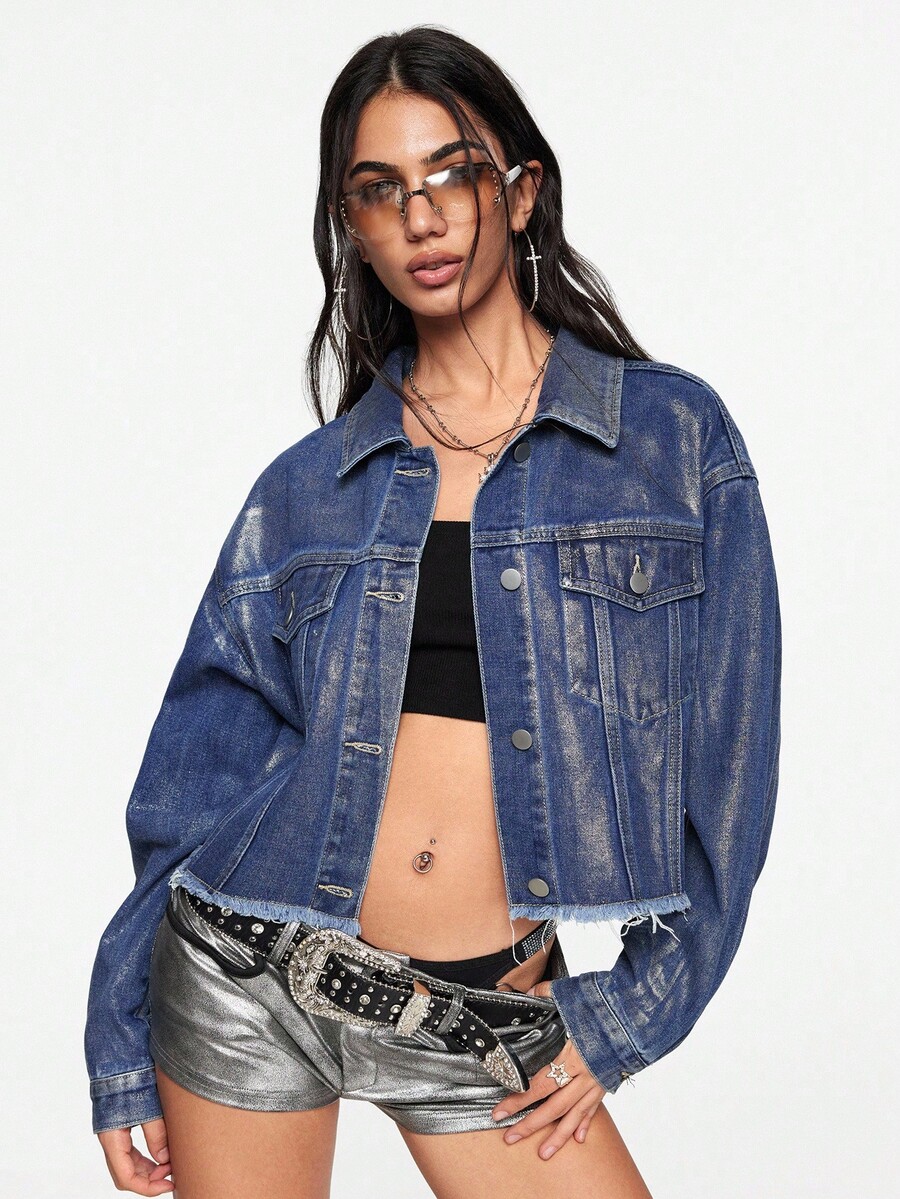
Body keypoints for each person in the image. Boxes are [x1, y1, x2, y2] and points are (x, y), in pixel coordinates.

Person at [84, 24, 782, 1199]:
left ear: (520, 191)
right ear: (351, 226)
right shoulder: (308, 488)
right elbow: (190, 785)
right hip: (246, 968)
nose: (420, 217)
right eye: (379, 190)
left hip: (481, 1009)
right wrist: (118, 1039)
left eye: (451, 174)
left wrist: (635, 1004)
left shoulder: (669, 440)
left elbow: (732, 756)